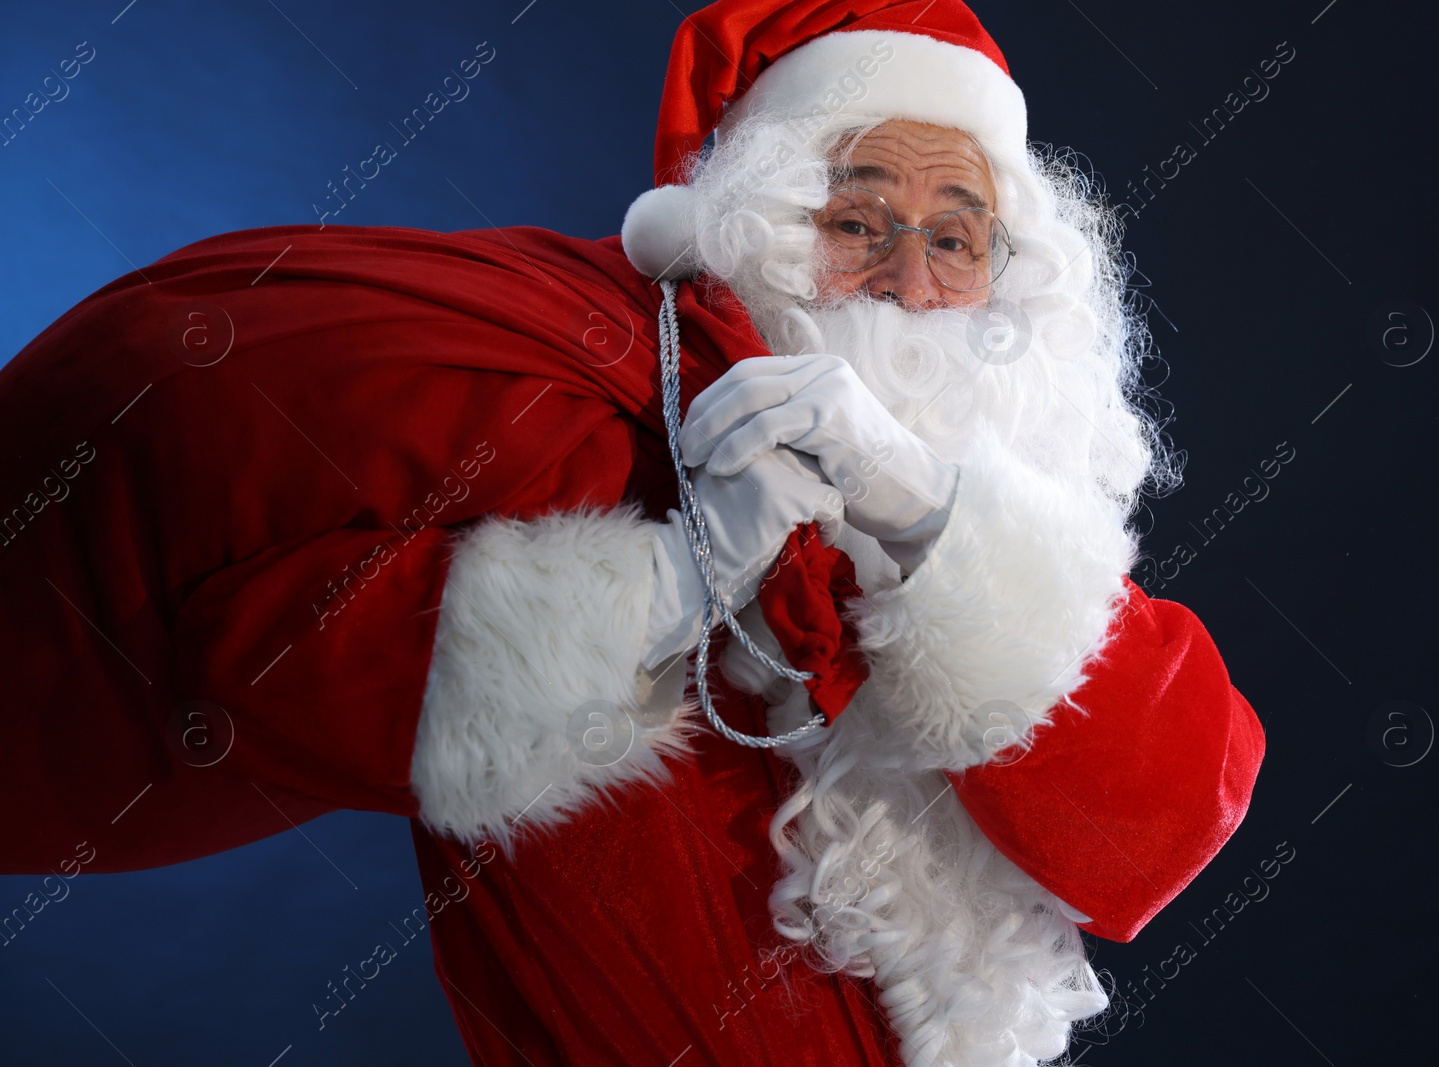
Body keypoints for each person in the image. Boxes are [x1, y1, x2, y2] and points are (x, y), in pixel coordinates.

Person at [0, 1, 1265, 1063]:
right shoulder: (585, 418)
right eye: (856, 221)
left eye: (956, 236)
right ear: (761, 231)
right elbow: (259, 669)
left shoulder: (993, 491)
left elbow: (1166, 822)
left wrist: (926, 516)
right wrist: (672, 576)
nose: (910, 281)